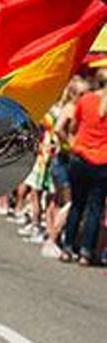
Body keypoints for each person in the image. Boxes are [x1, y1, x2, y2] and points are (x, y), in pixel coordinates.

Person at [57, 70, 107, 266]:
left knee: (77, 204)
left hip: (81, 156)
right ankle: (86, 252)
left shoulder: (85, 99)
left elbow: (74, 126)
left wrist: (72, 146)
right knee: (95, 208)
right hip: (103, 161)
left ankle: (67, 248)